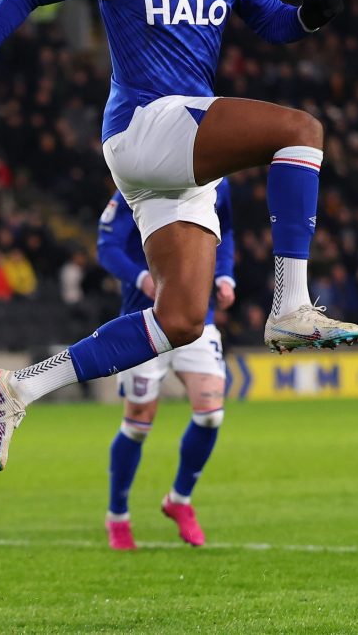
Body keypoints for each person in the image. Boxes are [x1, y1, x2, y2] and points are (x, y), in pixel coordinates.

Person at [0, 0, 358, 472]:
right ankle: (290, 305)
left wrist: (307, 16)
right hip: (143, 124)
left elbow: (273, 22)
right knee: (301, 130)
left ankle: (20, 387)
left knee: (181, 319)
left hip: (174, 155)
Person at [98, 179, 235, 550]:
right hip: (144, 319)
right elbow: (107, 247)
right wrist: (141, 277)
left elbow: (224, 230)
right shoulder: (138, 181)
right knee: (138, 422)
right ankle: (117, 515)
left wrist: (225, 275)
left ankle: (180, 499)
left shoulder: (217, 181)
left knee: (211, 413)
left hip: (197, 316)